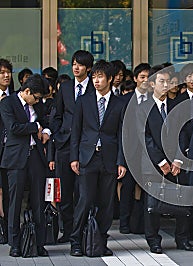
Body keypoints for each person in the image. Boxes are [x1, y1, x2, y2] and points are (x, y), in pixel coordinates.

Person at [136, 65, 193, 254]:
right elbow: (144, 138)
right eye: (160, 81)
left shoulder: (178, 107)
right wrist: (161, 161)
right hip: (154, 165)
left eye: (168, 82)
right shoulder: (142, 109)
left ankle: (183, 239)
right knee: (152, 205)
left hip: (178, 163)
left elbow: (184, 134)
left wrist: (178, 159)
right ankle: (154, 240)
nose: (165, 85)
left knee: (182, 200)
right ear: (152, 83)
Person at [69, 60, 127, 256]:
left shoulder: (120, 104)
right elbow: (75, 131)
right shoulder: (83, 101)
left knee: (106, 203)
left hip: (109, 159)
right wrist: (74, 157)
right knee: (84, 200)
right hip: (87, 157)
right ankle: (76, 241)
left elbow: (122, 135)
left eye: (100, 76)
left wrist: (121, 161)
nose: (96, 80)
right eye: (94, 76)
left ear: (110, 79)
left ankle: (100, 240)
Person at [0, 74, 50, 257]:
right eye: (35, 98)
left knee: (38, 200)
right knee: (14, 202)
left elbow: (45, 122)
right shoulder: (7, 103)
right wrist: (34, 126)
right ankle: (14, 243)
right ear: (26, 91)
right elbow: (13, 128)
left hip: (36, 157)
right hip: (15, 158)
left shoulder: (37, 104)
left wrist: (45, 130)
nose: (37, 101)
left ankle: (39, 243)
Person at [50, 50, 95, 244]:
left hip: (87, 147)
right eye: (74, 64)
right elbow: (56, 114)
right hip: (65, 146)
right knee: (65, 192)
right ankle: (67, 230)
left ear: (89, 68)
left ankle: (84, 230)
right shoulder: (66, 87)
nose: (76, 67)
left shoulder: (95, 88)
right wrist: (58, 134)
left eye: (80, 65)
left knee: (84, 193)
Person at [118, 62, 151, 234]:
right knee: (127, 188)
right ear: (135, 79)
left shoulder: (154, 100)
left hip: (148, 153)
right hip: (129, 151)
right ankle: (124, 223)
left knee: (146, 189)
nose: (145, 80)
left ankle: (143, 224)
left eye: (148, 77)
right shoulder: (124, 100)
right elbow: (119, 130)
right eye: (142, 77)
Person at [0, 59, 14, 243]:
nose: (6, 75)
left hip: (11, 152)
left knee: (9, 191)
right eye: (2, 72)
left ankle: (9, 230)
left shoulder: (16, 97)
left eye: (8, 72)